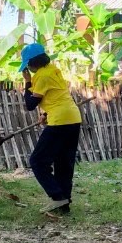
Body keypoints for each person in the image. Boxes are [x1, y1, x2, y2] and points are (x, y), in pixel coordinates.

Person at [20, 42, 82, 215]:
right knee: (64, 163)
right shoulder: (53, 70)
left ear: (32, 63)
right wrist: (46, 113)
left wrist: (27, 82)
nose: (28, 69)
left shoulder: (41, 76)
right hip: (73, 118)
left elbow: (30, 104)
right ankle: (64, 204)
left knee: (38, 161)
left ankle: (57, 196)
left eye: (27, 65)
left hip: (60, 121)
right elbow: (57, 96)